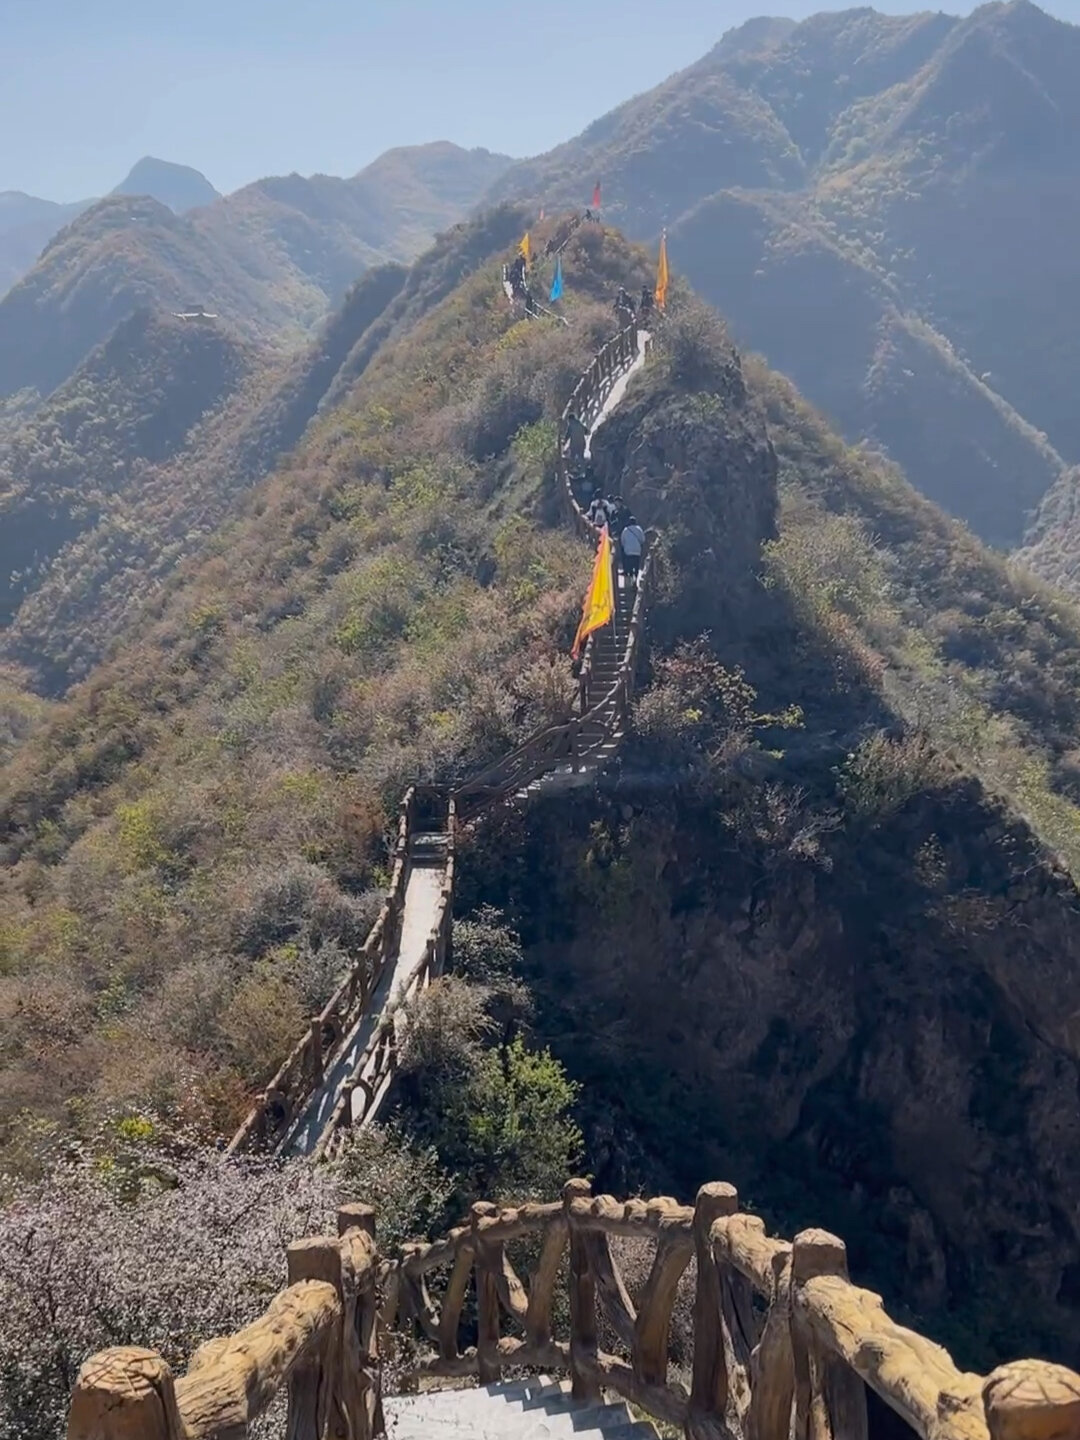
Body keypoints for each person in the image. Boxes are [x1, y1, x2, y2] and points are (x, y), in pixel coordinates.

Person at [620, 515, 645, 584]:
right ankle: (636, 579)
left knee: (630, 566)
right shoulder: (639, 529)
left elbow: (622, 541)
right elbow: (643, 540)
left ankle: (630, 579)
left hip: (628, 551)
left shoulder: (625, 530)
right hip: (637, 551)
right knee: (636, 566)